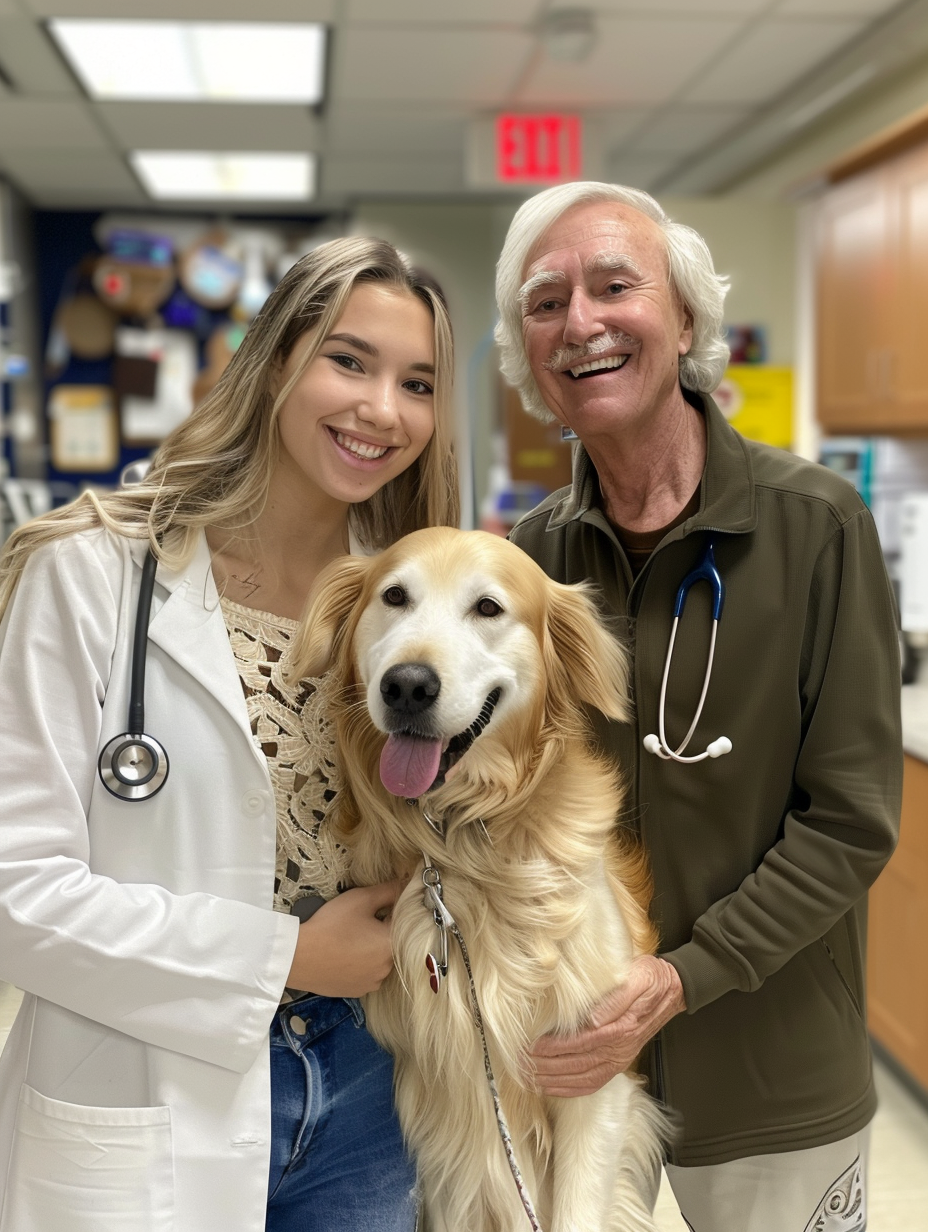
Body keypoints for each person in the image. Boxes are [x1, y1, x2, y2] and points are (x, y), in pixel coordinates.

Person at [0, 237, 459, 1232]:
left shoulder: (412, 611)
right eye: (349, 360)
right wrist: (285, 956)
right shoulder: (89, 574)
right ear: (274, 361)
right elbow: (16, 894)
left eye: (416, 381)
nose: (383, 407)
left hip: (373, 1088)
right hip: (149, 1077)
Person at [496, 182, 901, 1231]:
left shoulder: (815, 526)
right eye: (544, 302)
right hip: (577, 1071)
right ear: (526, 352)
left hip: (774, 1079)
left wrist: (685, 975)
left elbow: (851, 816)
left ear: (683, 318)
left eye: (613, 285)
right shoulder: (528, 564)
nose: (579, 321)